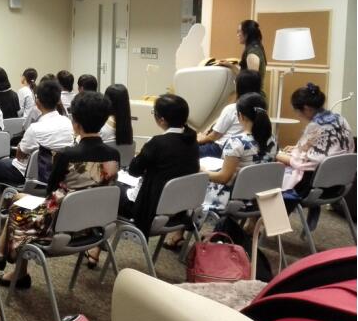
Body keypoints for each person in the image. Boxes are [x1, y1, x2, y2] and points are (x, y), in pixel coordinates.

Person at [0, 91, 120, 287]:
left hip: (61, 225)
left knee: (17, 209)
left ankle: (9, 263)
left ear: (75, 122)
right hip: (93, 224)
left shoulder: (67, 155)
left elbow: (50, 196)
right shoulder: (113, 155)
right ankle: (3, 256)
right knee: (18, 197)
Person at [0, 79, 74, 201]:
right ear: (58, 100)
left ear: (37, 102)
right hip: (56, 175)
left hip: (25, 173)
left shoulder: (35, 128)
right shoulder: (67, 123)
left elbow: (19, 156)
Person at [118, 94, 199, 243]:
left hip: (150, 208)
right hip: (180, 207)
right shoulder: (192, 140)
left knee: (113, 189)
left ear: (162, 120)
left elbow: (134, 171)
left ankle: (97, 241)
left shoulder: (157, 143)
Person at [276, 83, 354, 230]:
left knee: (269, 178)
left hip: (315, 187)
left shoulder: (315, 126)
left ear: (306, 108)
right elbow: (330, 149)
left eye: (297, 110)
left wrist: (277, 155)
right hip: (339, 184)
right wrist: (298, 148)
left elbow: (299, 162)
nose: (297, 114)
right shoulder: (340, 119)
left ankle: (266, 226)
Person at [199, 92, 276, 218]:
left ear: (240, 116)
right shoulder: (272, 139)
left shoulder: (236, 142)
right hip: (259, 197)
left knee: (191, 188)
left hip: (233, 198)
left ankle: (181, 230)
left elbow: (223, 178)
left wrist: (201, 171)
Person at [197, 69, 262, 158]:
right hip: (246, 148)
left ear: (240, 87)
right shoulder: (261, 108)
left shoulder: (232, 108)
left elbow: (214, 136)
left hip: (221, 149)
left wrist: (198, 140)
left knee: (186, 150)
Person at [237, 20, 266, 87]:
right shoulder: (255, 48)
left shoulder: (252, 53)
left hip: (252, 93)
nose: (237, 35)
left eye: (239, 31)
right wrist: (230, 66)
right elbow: (245, 77)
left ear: (247, 33)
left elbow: (252, 83)